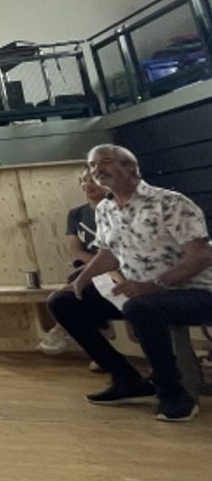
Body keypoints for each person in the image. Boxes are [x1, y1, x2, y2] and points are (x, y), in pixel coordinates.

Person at [47, 144, 212, 422]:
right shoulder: (105, 209)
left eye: (105, 162)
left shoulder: (170, 203)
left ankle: (174, 394)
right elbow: (109, 253)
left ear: (131, 167)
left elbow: (202, 256)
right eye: (92, 165)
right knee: (63, 302)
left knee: (140, 307)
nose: (97, 169)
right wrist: (82, 280)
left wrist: (154, 285)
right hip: (141, 294)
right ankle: (126, 380)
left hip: (195, 292)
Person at [38, 171, 109, 356]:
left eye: (93, 180)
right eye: (84, 180)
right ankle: (100, 338)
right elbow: (75, 250)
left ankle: (60, 329)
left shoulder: (115, 210)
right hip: (90, 266)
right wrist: (97, 264)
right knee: (76, 280)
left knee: (77, 284)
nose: (88, 184)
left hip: (116, 268)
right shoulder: (76, 214)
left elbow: (116, 253)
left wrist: (104, 264)